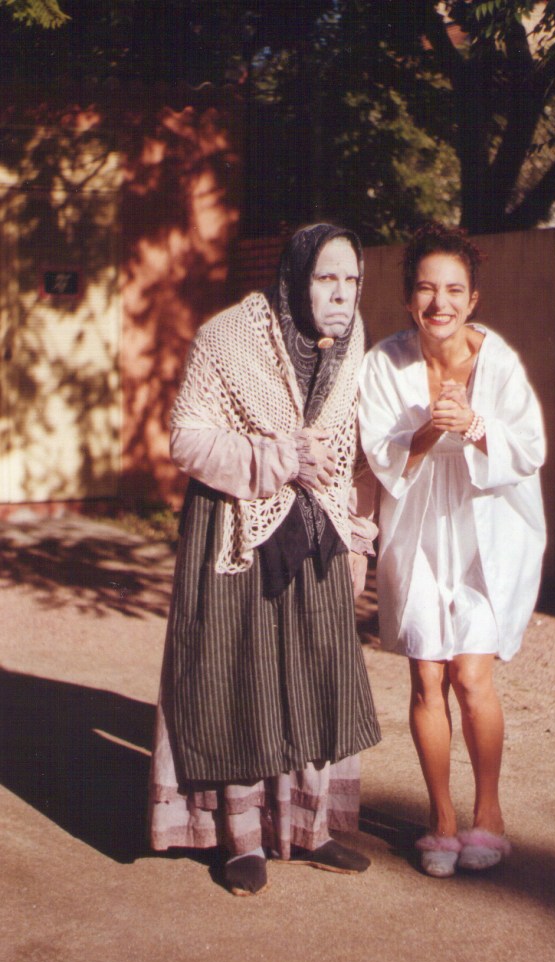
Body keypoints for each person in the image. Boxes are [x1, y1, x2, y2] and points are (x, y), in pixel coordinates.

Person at [149, 223, 381, 896]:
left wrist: (354, 532)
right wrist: (276, 456)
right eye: (325, 279)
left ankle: (309, 830)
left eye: (351, 280)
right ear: (296, 277)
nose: (340, 295)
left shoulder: (354, 343)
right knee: (239, 675)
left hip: (314, 536)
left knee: (315, 672)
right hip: (238, 529)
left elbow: (351, 451)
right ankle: (240, 838)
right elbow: (186, 439)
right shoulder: (228, 338)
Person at [358, 223, 545, 877]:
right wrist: (425, 432)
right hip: (418, 532)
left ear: (473, 297)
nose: (440, 302)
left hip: (487, 532)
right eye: (426, 289)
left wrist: (477, 426)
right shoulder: (383, 363)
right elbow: (380, 455)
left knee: (472, 676)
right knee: (427, 676)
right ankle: (440, 819)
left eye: (454, 290)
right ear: (410, 296)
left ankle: (488, 813)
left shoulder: (501, 362)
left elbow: (530, 450)